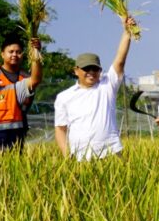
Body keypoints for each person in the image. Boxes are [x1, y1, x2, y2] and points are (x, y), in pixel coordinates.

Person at [54, 16, 136, 160]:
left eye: (95, 69)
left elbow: (120, 60)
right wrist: (67, 156)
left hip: (111, 153)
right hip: (80, 157)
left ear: (100, 70)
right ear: (76, 71)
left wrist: (127, 32)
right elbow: (60, 128)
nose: (91, 72)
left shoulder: (107, 85)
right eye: (87, 69)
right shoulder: (64, 97)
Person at [0, 38, 43, 151]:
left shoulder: (25, 78)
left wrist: (36, 52)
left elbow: (35, 80)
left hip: (14, 130)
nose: (14, 55)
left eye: (18, 52)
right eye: (11, 52)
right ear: (2, 54)